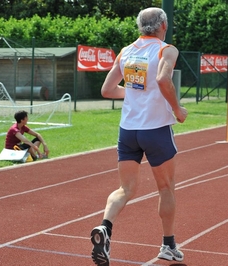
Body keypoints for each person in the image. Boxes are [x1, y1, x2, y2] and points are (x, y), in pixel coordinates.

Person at [90, 7, 188, 266]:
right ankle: (168, 245)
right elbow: (163, 79)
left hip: (128, 131)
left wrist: (135, 94)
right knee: (166, 188)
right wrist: (177, 109)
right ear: (163, 25)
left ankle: (105, 227)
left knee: (126, 188)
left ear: (139, 27)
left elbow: (108, 89)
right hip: (155, 129)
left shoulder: (126, 51)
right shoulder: (167, 49)